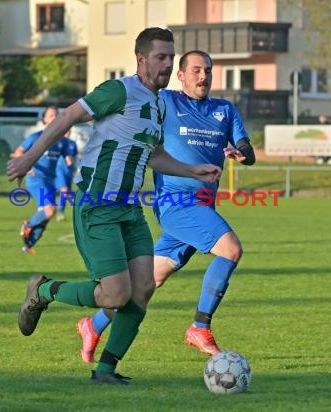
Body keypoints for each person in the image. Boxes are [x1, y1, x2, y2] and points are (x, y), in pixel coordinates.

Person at [6, 28, 221, 385]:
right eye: (161, 57)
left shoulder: (157, 104)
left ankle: (105, 370)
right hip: (96, 205)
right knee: (115, 294)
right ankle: (44, 290)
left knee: (143, 290)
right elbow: (66, 117)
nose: (168, 64)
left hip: (129, 210)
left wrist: (190, 170)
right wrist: (30, 157)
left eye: (171, 57)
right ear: (141, 58)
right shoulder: (119, 90)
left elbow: (151, 153)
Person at [76, 50, 256, 363]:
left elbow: (246, 146)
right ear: (181, 75)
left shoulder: (224, 109)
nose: (204, 76)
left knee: (147, 282)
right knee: (231, 249)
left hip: (203, 207)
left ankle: (94, 324)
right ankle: (200, 326)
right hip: (176, 204)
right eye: (197, 70)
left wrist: (242, 152)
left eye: (208, 71)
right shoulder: (166, 103)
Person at [12, 105, 75, 254]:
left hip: (51, 181)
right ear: (45, 119)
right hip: (37, 179)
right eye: (51, 116)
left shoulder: (62, 141)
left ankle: (28, 245)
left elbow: (67, 156)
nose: (54, 118)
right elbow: (18, 152)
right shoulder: (36, 137)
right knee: (49, 210)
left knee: (46, 215)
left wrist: (69, 159)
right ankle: (28, 225)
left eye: (56, 116)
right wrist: (26, 166)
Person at [54, 131, 78, 222]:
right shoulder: (58, 142)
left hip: (69, 171)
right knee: (64, 190)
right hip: (59, 170)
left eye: (69, 130)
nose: (67, 132)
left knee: (66, 193)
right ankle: (59, 212)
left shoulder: (72, 143)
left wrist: (77, 168)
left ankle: (60, 210)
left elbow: (75, 157)